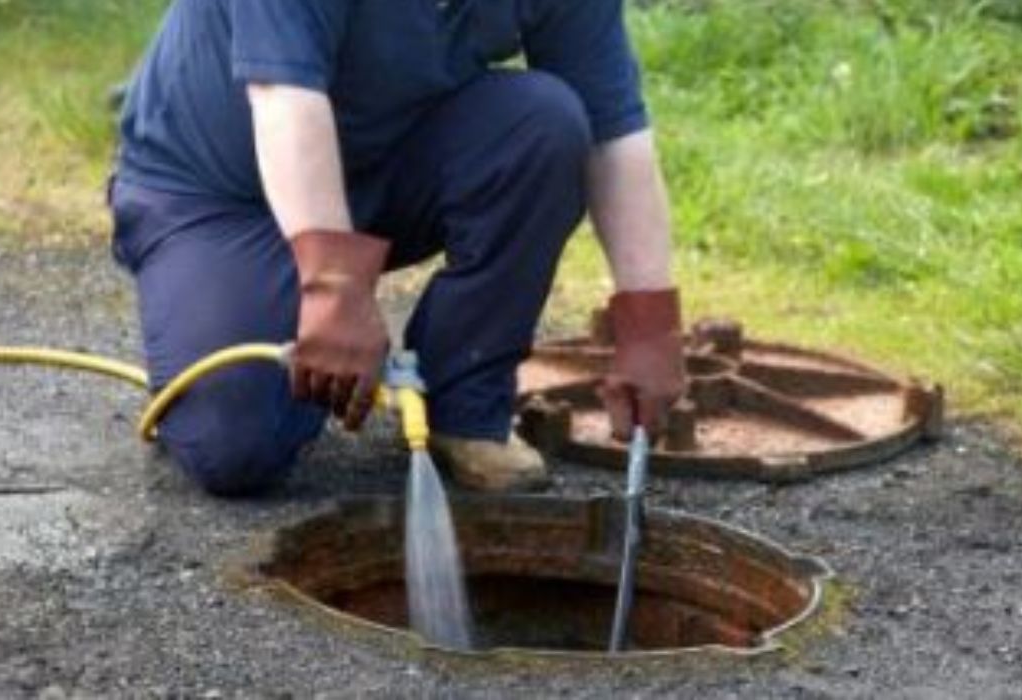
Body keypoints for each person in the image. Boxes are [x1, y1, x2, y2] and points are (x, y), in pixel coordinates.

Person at [109, 0, 687, 497]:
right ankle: (232, 341)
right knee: (236, 446)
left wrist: (650, 325)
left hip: (380, 165)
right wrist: (334, 287)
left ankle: (464, 406)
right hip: (216, 195)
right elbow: (283, 96)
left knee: (545, 123)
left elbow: (615, 135)